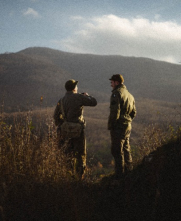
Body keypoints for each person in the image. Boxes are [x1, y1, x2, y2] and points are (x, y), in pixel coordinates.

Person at [53, 79, 97, 180]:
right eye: (76, 86)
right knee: (80, 154)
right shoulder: (79, 97)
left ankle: (69, 177)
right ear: (74, 88)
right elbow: (94, 102)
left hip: (65, 132)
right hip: (78, 131)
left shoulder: (61, 100)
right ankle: (79, 177)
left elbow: (55, 116)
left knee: (67, 155)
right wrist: (87, 96)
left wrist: (63, 125)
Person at [108, 74, 136, 178]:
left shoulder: (117, 94)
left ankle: (120, 175)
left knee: (117, 150)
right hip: (127, 126)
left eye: (112, 82)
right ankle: (130, 171)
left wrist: (112, 125)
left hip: (119, 126)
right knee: (126, 149)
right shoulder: (130, 95)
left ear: (117, 82)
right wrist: (127, 121)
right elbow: (134, 112)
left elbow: (115, 112)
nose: (111, 84)